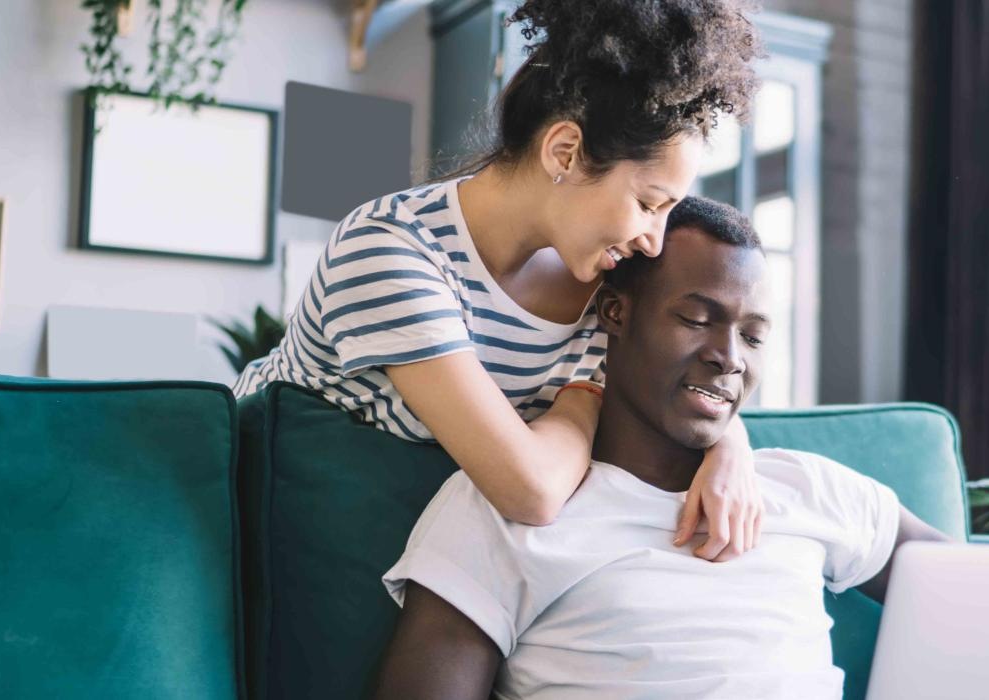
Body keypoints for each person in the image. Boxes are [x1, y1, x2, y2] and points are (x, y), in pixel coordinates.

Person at [232, 0, 769, 559]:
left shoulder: (611, 271)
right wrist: (583, 399)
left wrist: (730, 447)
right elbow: (530, 491)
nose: (655, 240)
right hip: (257, 519)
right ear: (565, 152)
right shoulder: (390, 251)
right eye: (647, 204)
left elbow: (700, 368)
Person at [371, 197, 952, 699]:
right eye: (697, 319)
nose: (730, 357)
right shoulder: (500, 510)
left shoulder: (809, 488)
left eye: (752, 336)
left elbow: (978, 595)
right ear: (616, 313)